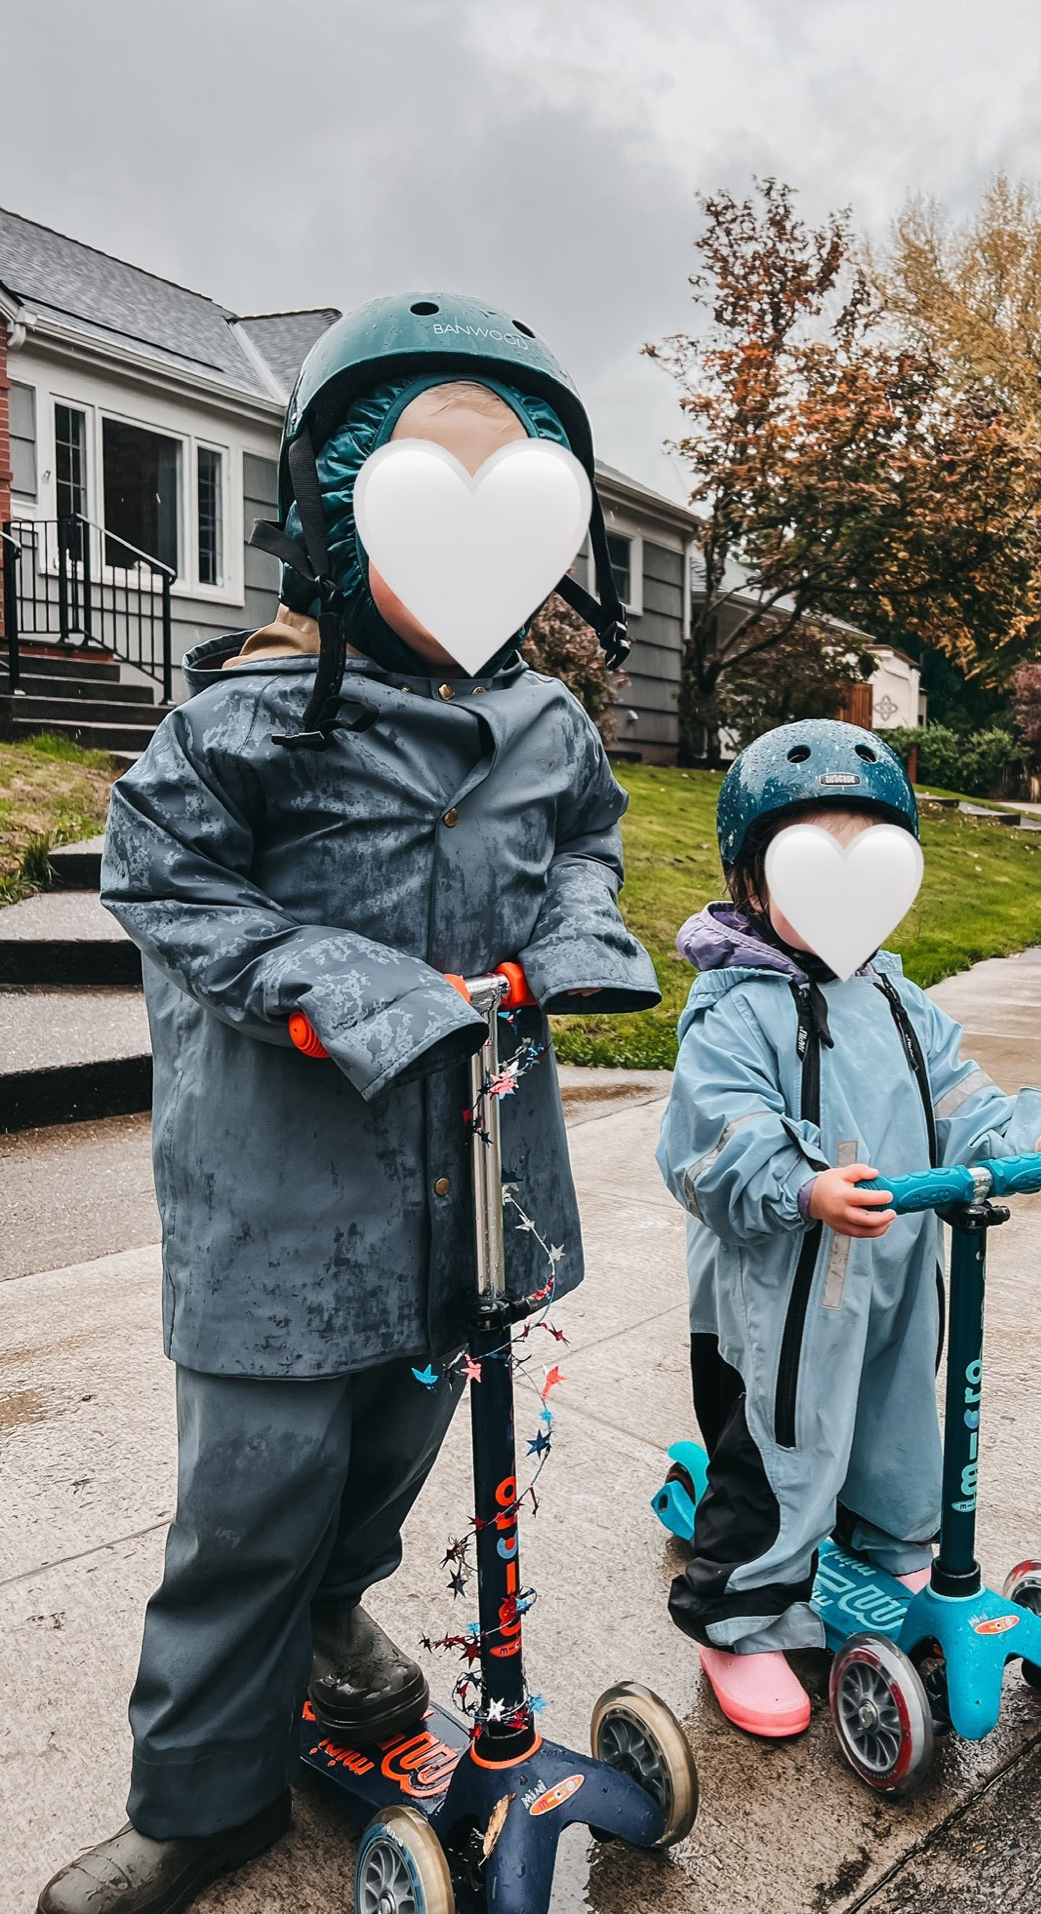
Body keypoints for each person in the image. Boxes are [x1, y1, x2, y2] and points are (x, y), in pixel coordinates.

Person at [38, 294, 658, 1914]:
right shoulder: (242, 717)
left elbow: (586, 848)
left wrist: (571, 944)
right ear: (334, 512)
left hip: (470, 1190)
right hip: (284, 1199)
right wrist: (345, 987)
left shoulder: (543, 724)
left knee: (392, 1450)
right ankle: (204, 1797)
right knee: (252, 1500)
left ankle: (332, 1616)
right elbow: (163, 878)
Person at [655, 719, 1041, 1738]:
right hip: (782, 1296)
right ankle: (740, 1616)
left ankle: (891, 1544)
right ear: (752, 881)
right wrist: (801, 1183)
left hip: (894, 1268)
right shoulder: (737, 1008)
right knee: (781, 1445)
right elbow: (712, 1135)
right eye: (813, 869)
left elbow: (957, 1092)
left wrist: (1023, 1140)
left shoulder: (896, 995)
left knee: (897, 1422)